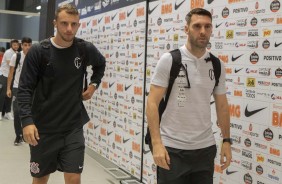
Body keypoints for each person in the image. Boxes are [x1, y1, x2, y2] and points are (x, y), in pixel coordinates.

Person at [17, 4, 106, 184]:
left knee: (74, 179)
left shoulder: (83, 49)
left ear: (79, 25)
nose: (69, 29)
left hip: (72, 127)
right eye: (64, 23)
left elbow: (100, 63)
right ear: (55, 23)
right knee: (40, 179)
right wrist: (26, 121)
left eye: (74, 24)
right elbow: (25, 89)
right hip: (43, 129)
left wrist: (94, 85)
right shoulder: (38, 52)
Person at [146, 8, 232, 184]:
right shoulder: (169, 60)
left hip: (205, 149)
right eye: (197, 26)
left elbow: (222, 105)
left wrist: (227, 140)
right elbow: (152, 103)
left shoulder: (216, 65)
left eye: (207, 26)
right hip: (172, 150)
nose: (203, 31)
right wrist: (157, 144)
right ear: (186, 29)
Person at [7, 37, 32, 145]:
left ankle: (29, 133)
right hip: (17, 87)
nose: (27, 47)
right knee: (17, 112)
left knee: (30, 112)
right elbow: (11, 73)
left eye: (29, 45)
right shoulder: (16, 56)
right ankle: (18, 136)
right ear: (22, 46)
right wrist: (8, 88)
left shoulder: (34, 56)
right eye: (25, 45)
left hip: (31, 88)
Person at [0, 39, 19, 121]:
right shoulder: (8, 52)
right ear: (11, 45)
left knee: (10, 94)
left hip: (11, 76)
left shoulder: (17, 53)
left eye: (17, 45)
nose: (16, 46)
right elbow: (10, 64)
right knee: (3, 94)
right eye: (14, 45)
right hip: (4, 75)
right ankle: (0, 112)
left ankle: (8, 112)